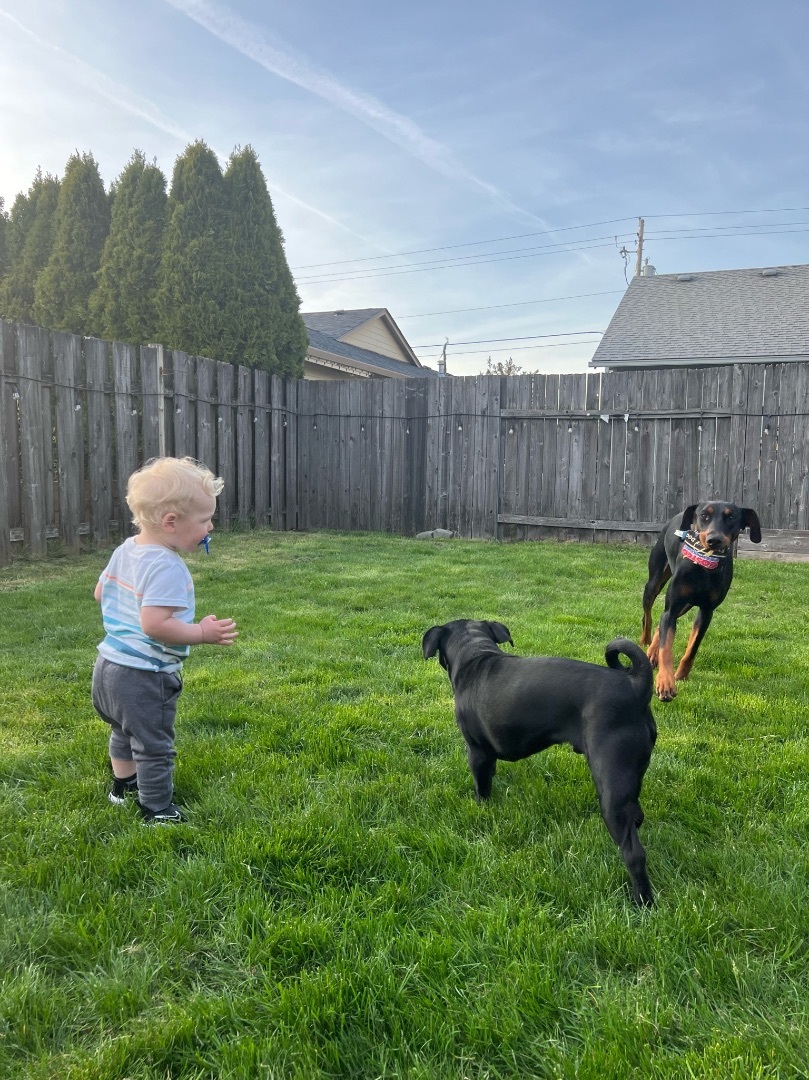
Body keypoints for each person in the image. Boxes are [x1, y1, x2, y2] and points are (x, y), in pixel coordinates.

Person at [92, 456, 238, 825]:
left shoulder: (128, 549)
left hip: (108, 666)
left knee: (123, 731)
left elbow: (100, 592)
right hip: (144, 674)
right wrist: (202, 633)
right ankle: (156, 808)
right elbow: (156, 625)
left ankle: (122, 786)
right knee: (153, 745)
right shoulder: (167, 566)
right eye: (204, 520)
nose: (210, 527)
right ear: (171, 522)